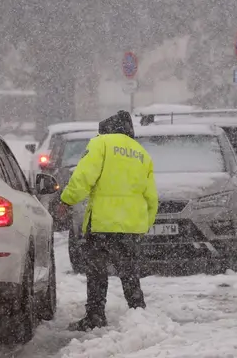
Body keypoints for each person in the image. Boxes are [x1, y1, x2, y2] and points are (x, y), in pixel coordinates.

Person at [58, 110, 158, 331]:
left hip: (103, 223)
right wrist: (145, 224)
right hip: (131, 226)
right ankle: (138, 314)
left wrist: (67, 199)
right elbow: (151, 197)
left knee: (97, 272)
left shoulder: (101, 143)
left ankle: (95, 316)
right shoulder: (141, 153)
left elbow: (84, 176)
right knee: (130, 272)